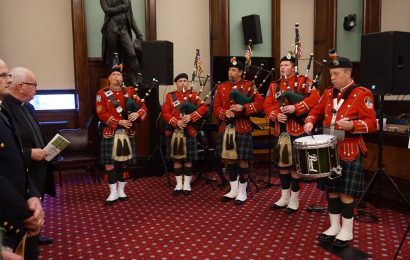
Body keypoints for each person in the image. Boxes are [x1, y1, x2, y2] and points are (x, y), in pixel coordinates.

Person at [304, 55, 377, 247]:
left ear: (348, 73)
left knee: (346, 192)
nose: (332, 78)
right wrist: (310, 121)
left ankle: (347, 230)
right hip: (329, 149)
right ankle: (334, 226)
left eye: (336, 74)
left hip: (350, 149)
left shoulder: (363, 94)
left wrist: (352, 125)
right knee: (332, 191)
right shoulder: (328, 93)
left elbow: (372, 123)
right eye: (331, 74)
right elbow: (316, 111)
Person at [2, 67, 55, 245]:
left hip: (39, 166)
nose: (36, 89)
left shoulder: (29, 107)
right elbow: (9, 148)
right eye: (34, 85)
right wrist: (29, 153)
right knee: (25, 210)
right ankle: (29, 237)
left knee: (37, 201)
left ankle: (36, 233)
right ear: (21, 86)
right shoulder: (6, 108)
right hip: (22, 168)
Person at [263, 54, 320, 213]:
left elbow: (315, 98)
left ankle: (294, 199)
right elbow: (267, 105)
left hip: (298, 129)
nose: (283, 68)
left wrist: (297, 108)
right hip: (280, 130)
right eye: (281, 65)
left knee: (295, 167)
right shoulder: (274, 85)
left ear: (294, 67)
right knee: (283, 166)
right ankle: (284, 197)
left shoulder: (304, 81)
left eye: (286, 65)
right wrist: (275, 115)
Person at [0, 58, 44, 259]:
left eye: (9, 75)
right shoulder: (7, 107)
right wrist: (25, 213)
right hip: (8, 214)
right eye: (3, 75)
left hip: (22, 205)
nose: (8, 80)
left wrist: (31, 194)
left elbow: (13, 158)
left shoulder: (3, 111)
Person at [213, 57, 264, 205]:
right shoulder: (221, 87)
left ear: (241, 72)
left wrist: (244, 108)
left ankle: (242, 191)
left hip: (242, 126)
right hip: (227, 127)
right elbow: (216, 108)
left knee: (242, 160)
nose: (230, 72)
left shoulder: (249, 85)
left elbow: (260, 104)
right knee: (230, 159)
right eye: (229, 69)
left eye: (234, 70)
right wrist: (223, 113)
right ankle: (233, 189)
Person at [96, 66, 147, 205]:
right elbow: (101, 113)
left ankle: (121, 190)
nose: (116, 77)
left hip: (127, 133)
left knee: (124, 163)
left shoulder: (130, 92)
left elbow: (143, 107)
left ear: (122, 78)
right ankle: (113, 191)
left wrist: (138, 114)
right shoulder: (102, 93)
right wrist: (119, 121)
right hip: (110, 133)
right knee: (109, 163)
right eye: (113, 74)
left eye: (118, 74)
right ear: (109, 78)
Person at [161, 73, 208, 195]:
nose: (183, 83)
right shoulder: (170, 96)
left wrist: (191, 117)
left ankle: (187, 184)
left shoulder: (193, 95)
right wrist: (177, 122)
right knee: (176, 158)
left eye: (185, 81)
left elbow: (204, 108)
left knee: (188, 159)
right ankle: (178, 184)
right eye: (180, 81)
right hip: (175, 131)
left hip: (189, 131)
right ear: (176, 83)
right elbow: (165, 112)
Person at [100, 0, 143, 86]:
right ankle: (114, 80)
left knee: (132, 53)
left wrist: (138, 33)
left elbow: (131, 17)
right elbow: (107, 10)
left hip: (123, 29)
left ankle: (136, 77)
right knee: (114, 56)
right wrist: (122, 8)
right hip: (111, 28)